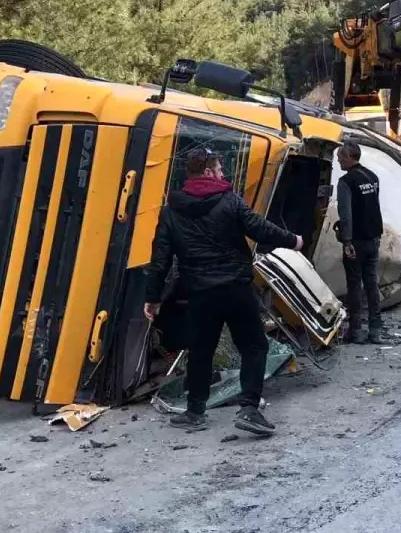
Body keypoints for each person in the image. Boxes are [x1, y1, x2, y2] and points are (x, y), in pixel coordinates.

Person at [144, 148, 303, 436]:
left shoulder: (171, 210)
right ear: (207, 172)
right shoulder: (228, 201)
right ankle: (249, 409)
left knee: (201, 350)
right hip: (235, 289)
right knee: (254, 347)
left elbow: (160, 259)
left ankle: (195, 412)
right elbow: (260, 229)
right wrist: (293, 240)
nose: (222, 174)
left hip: (200, 293)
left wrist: (153, 298)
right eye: (218, 169)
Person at [335, 141, 384, 344]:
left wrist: (346, 241)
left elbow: (346, 215)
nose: (338, 162)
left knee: (354, 286)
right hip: (373, 238)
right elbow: (374, 207)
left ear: (348, 157)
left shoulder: (346, 182)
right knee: (371, 284)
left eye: (340, 158)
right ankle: (376, 329)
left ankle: (356, 331)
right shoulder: (372, 177)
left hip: (355, 241)